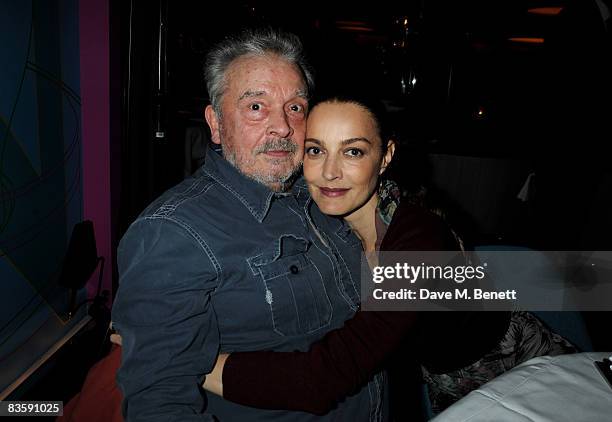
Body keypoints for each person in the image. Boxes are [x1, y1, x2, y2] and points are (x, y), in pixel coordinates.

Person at [198, 94, 577, 416]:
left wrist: (190, 360)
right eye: (316, 150)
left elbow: (323, 379)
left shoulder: (418, 242)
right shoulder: (329, 218)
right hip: (431, 376)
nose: (330, 172)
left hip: (511, 371)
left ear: (385, 157)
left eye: (353, 151)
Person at [110, 29, 387, 422]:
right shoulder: (172, 232)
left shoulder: (325, 191)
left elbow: (444, 290)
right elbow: (160, 402)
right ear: (216, 123)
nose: (283, 127)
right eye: (256, 106)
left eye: (295, 107)